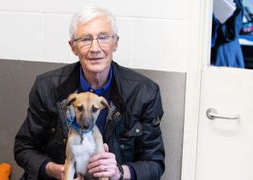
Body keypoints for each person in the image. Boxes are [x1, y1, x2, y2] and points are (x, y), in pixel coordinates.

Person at [14, 6, 165, 180]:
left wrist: (119, 171)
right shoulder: (47, 87)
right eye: (85, 39)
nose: (95, 48)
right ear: (73, 47)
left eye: (103, 37)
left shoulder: (144, 92)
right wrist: (58, 171)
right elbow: (24, 148)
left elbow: (154, 164)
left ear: (116, 43)